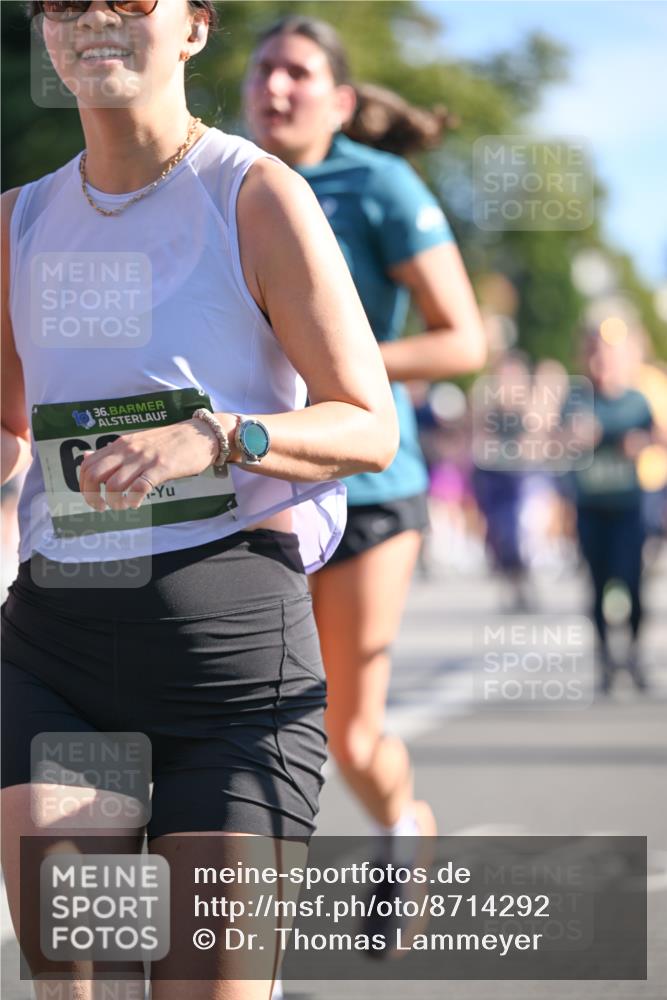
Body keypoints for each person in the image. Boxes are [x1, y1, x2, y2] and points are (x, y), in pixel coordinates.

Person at [0, 3, 399, 999]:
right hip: (55, 658)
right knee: (76, 986)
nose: (95, 18)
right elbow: (11, 433)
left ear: (193, 27)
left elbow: (369, 425)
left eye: (132, 0)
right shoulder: (17, 222)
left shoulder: (254, 196)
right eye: (65, 1)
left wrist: (222, 434)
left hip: (230, 676)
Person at [244, 17, 487, 859]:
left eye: (297, 72)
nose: (274, 86)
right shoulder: (220, 180)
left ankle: (400, 829)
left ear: (341, 101)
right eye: (262, 69)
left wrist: (338, 360)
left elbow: (463, 341)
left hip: (368, 488)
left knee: (348, 735)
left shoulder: (378, 184)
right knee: (246, 719)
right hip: (254, 487)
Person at [568, 327, 655, 692]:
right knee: (598, 583)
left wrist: (640, 442)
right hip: (591, 506)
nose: (601, 364)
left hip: (627, 507)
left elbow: (656, 436)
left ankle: (633, 653)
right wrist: (576, 437)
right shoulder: (577, 398)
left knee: (632, 582)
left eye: (608, 356)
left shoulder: (636, 402)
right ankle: (604, 659)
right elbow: (559, 438)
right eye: (596, 356)